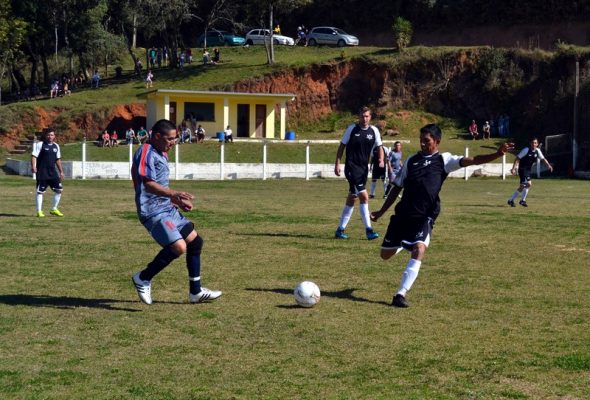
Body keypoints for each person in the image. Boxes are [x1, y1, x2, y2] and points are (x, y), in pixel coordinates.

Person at [371, 124, 514, 308]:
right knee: (385, 255)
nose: (422, 144)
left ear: (437, 142)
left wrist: (497, 154)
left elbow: (474, 160)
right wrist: (381, 212)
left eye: (427, 141)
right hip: (404, 214)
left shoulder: (444, 160)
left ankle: (400, 294)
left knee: (419, 249)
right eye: (421, 140)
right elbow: (397, 187)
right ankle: (404, 244)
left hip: (425, 215)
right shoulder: (411, 161)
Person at [131, 119, 222, 305]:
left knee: (195, 242)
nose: (173, 142)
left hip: (166, 208)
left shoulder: (162, 153)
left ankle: (196, 292)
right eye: (170, 139)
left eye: (175, 138)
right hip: (153, 211)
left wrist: (176, 201)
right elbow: (148, 185)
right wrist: (174, 194)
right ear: (157, 136)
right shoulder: (146, 152)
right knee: (179, 247)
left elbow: (161, 186)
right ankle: (143, 278)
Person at [334, 106, 383, 240]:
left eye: (367, 116)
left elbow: (380, 147)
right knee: (364, 196)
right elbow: (342, 146)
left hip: (363, 170)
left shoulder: (374, 131)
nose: (364, 118)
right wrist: (337, 163)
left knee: (352, 198)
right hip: (351, 168)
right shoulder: (352, 129)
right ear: (359, 116)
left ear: (370, 117)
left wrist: (381, 160)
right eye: (362, 116)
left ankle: (340, 230)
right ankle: (369, 230)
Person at [507, 137, 553, 207]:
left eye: (535, 143)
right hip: (522, 169)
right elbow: (517, 158)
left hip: (528, 170)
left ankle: (512, 200)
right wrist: (513, 168)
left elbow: (543, 159)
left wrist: (549, 165)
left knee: (523, 186)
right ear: (530, 143)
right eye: (532, 143)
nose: (534, 144)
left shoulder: (538, 151)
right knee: (528, 184)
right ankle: (521, 200)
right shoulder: (526, 150)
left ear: (537, 144)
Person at [31, 128, 65, 218]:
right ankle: (39, 211)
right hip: (42, 172)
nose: (50, 136)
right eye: (48, 135)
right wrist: (33, 166)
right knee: (40, 192)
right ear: (45, 136)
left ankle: (54, 209)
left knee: (59, 190)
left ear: (54, 136)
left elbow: (58, 159)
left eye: (52, 135)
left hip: (53, 172)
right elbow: (34, 156)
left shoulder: (56, 146)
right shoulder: (40, 144)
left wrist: (61, 171)